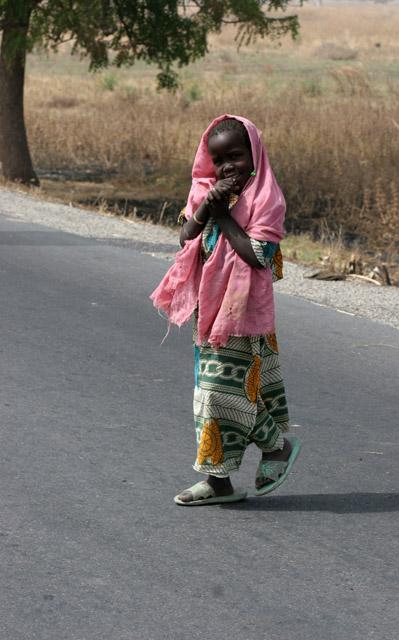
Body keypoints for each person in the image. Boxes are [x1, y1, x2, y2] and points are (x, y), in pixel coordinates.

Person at [151, 115, 300, 506]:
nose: (227, 166)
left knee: (223, 394)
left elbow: (257, 255)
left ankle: (276, 447)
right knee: (208, 397)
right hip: (208, 309)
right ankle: (219, 482)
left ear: (255, 155)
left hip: (242, 313)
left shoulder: (267, 198)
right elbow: (186, 236)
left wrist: (223, 216)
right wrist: (206, 207)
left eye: (235, 156)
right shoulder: (204, 190)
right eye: (219, 160)